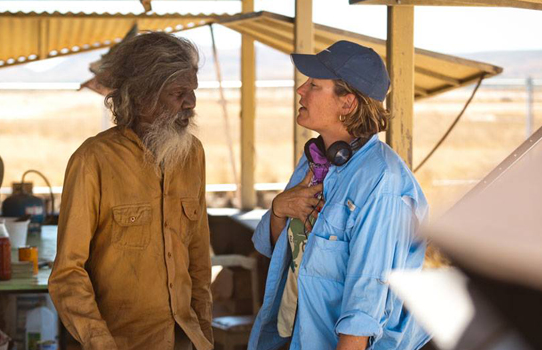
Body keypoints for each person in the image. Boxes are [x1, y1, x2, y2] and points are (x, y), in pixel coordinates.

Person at [248, 41, 430, 350]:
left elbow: (366, 300)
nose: (300, 90)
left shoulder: (380, 183)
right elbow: (282, 252)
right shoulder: (314, 160)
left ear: (347, 104)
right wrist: (279, 209)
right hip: (298, 336)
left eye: (314, 85)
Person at [48, 32, 213, 350]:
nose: (191, 104)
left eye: (192, 92)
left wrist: (204, 335)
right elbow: (67, 272)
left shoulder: (193, 154)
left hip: (186, 339)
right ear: (141, 96)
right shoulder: (92, 159)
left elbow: (199, 261)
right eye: (179, 93)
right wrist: (100, 342)